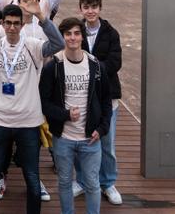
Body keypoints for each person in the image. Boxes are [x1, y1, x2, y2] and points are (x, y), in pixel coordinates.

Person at [0, 0, 64, 214]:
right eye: (8, 23)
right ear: (2, 24)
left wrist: (41, 16)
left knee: (32, 176)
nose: (12, 27)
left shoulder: (33, 45)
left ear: (22, 25)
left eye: (16, 23)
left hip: (28, 122)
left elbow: (58, 43)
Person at [40, 17, 113, 214]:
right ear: (63, 37)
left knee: (92, 183)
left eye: (76, 33)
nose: (72, 38)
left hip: (90, 138)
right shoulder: (53, 66)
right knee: (64, 182)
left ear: (82, 36)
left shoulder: (96, 66)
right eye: (68, 34)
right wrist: (64, 115)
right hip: (63, 138)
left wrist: (102, 128)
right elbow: (44, 103)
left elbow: (106, 100)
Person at [78, 0, 123, 206]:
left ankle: (107, 183)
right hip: (81, 95)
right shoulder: (75, 30)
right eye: (87, 7)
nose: (90, 11)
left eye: (94, 7)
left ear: (100, 8)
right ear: (81, 9)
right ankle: (81, 180)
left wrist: (92, 68)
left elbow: (115, 62)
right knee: (80, 140)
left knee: (107, 144)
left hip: (107, 96)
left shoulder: (111, 33)